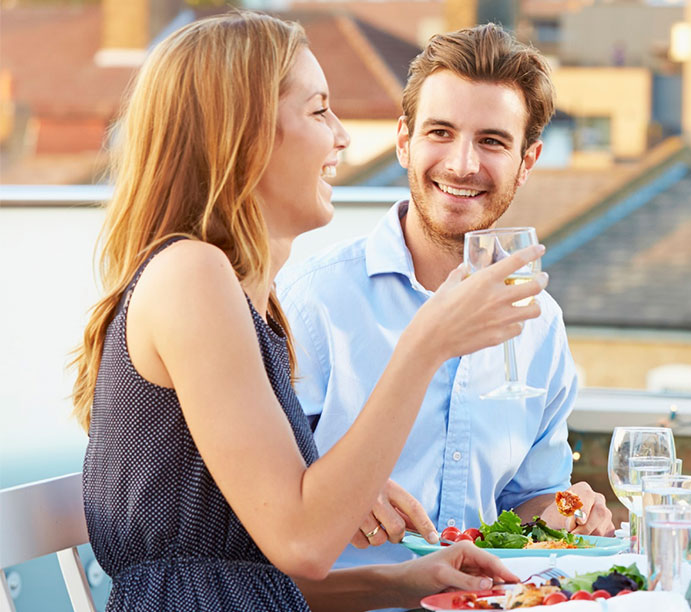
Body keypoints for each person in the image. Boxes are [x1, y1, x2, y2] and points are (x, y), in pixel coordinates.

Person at [74, 12, 536, 611]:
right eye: (319, 111)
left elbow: (252, 573)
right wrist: (427, 345)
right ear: (241, 136)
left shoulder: (243, 298)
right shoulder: (192, 275)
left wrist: (404, 581)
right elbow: (303, 541)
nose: (342, 137)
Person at [277, 23, 612, 575]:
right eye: (440, 133)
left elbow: (524, 508)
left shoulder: (539, 323)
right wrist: (339, 488)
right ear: (404, 141)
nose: (462, 165)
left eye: (492, 141)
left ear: (528, 161)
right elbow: (262, 498)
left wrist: (564, 511)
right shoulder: (311, 302)